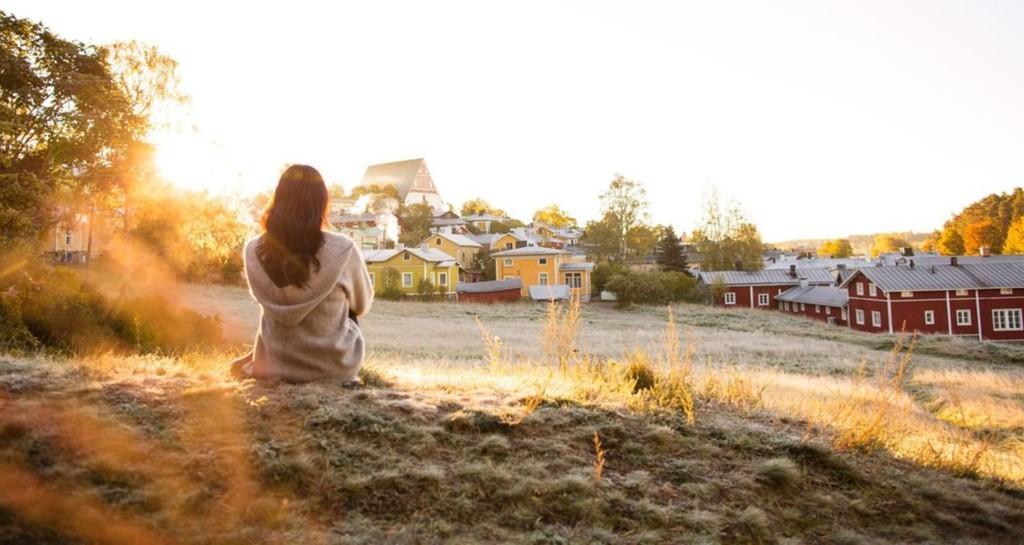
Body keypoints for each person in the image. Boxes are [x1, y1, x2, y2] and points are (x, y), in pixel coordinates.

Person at [230, 164, 373, 382]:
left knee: (271, 313)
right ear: (321, 203)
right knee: (348, 307)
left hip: (271, 366)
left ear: (278, 199)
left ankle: (262, 357)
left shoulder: (253, 250)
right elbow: (361, 305)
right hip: (334, 369)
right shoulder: (343, 249)